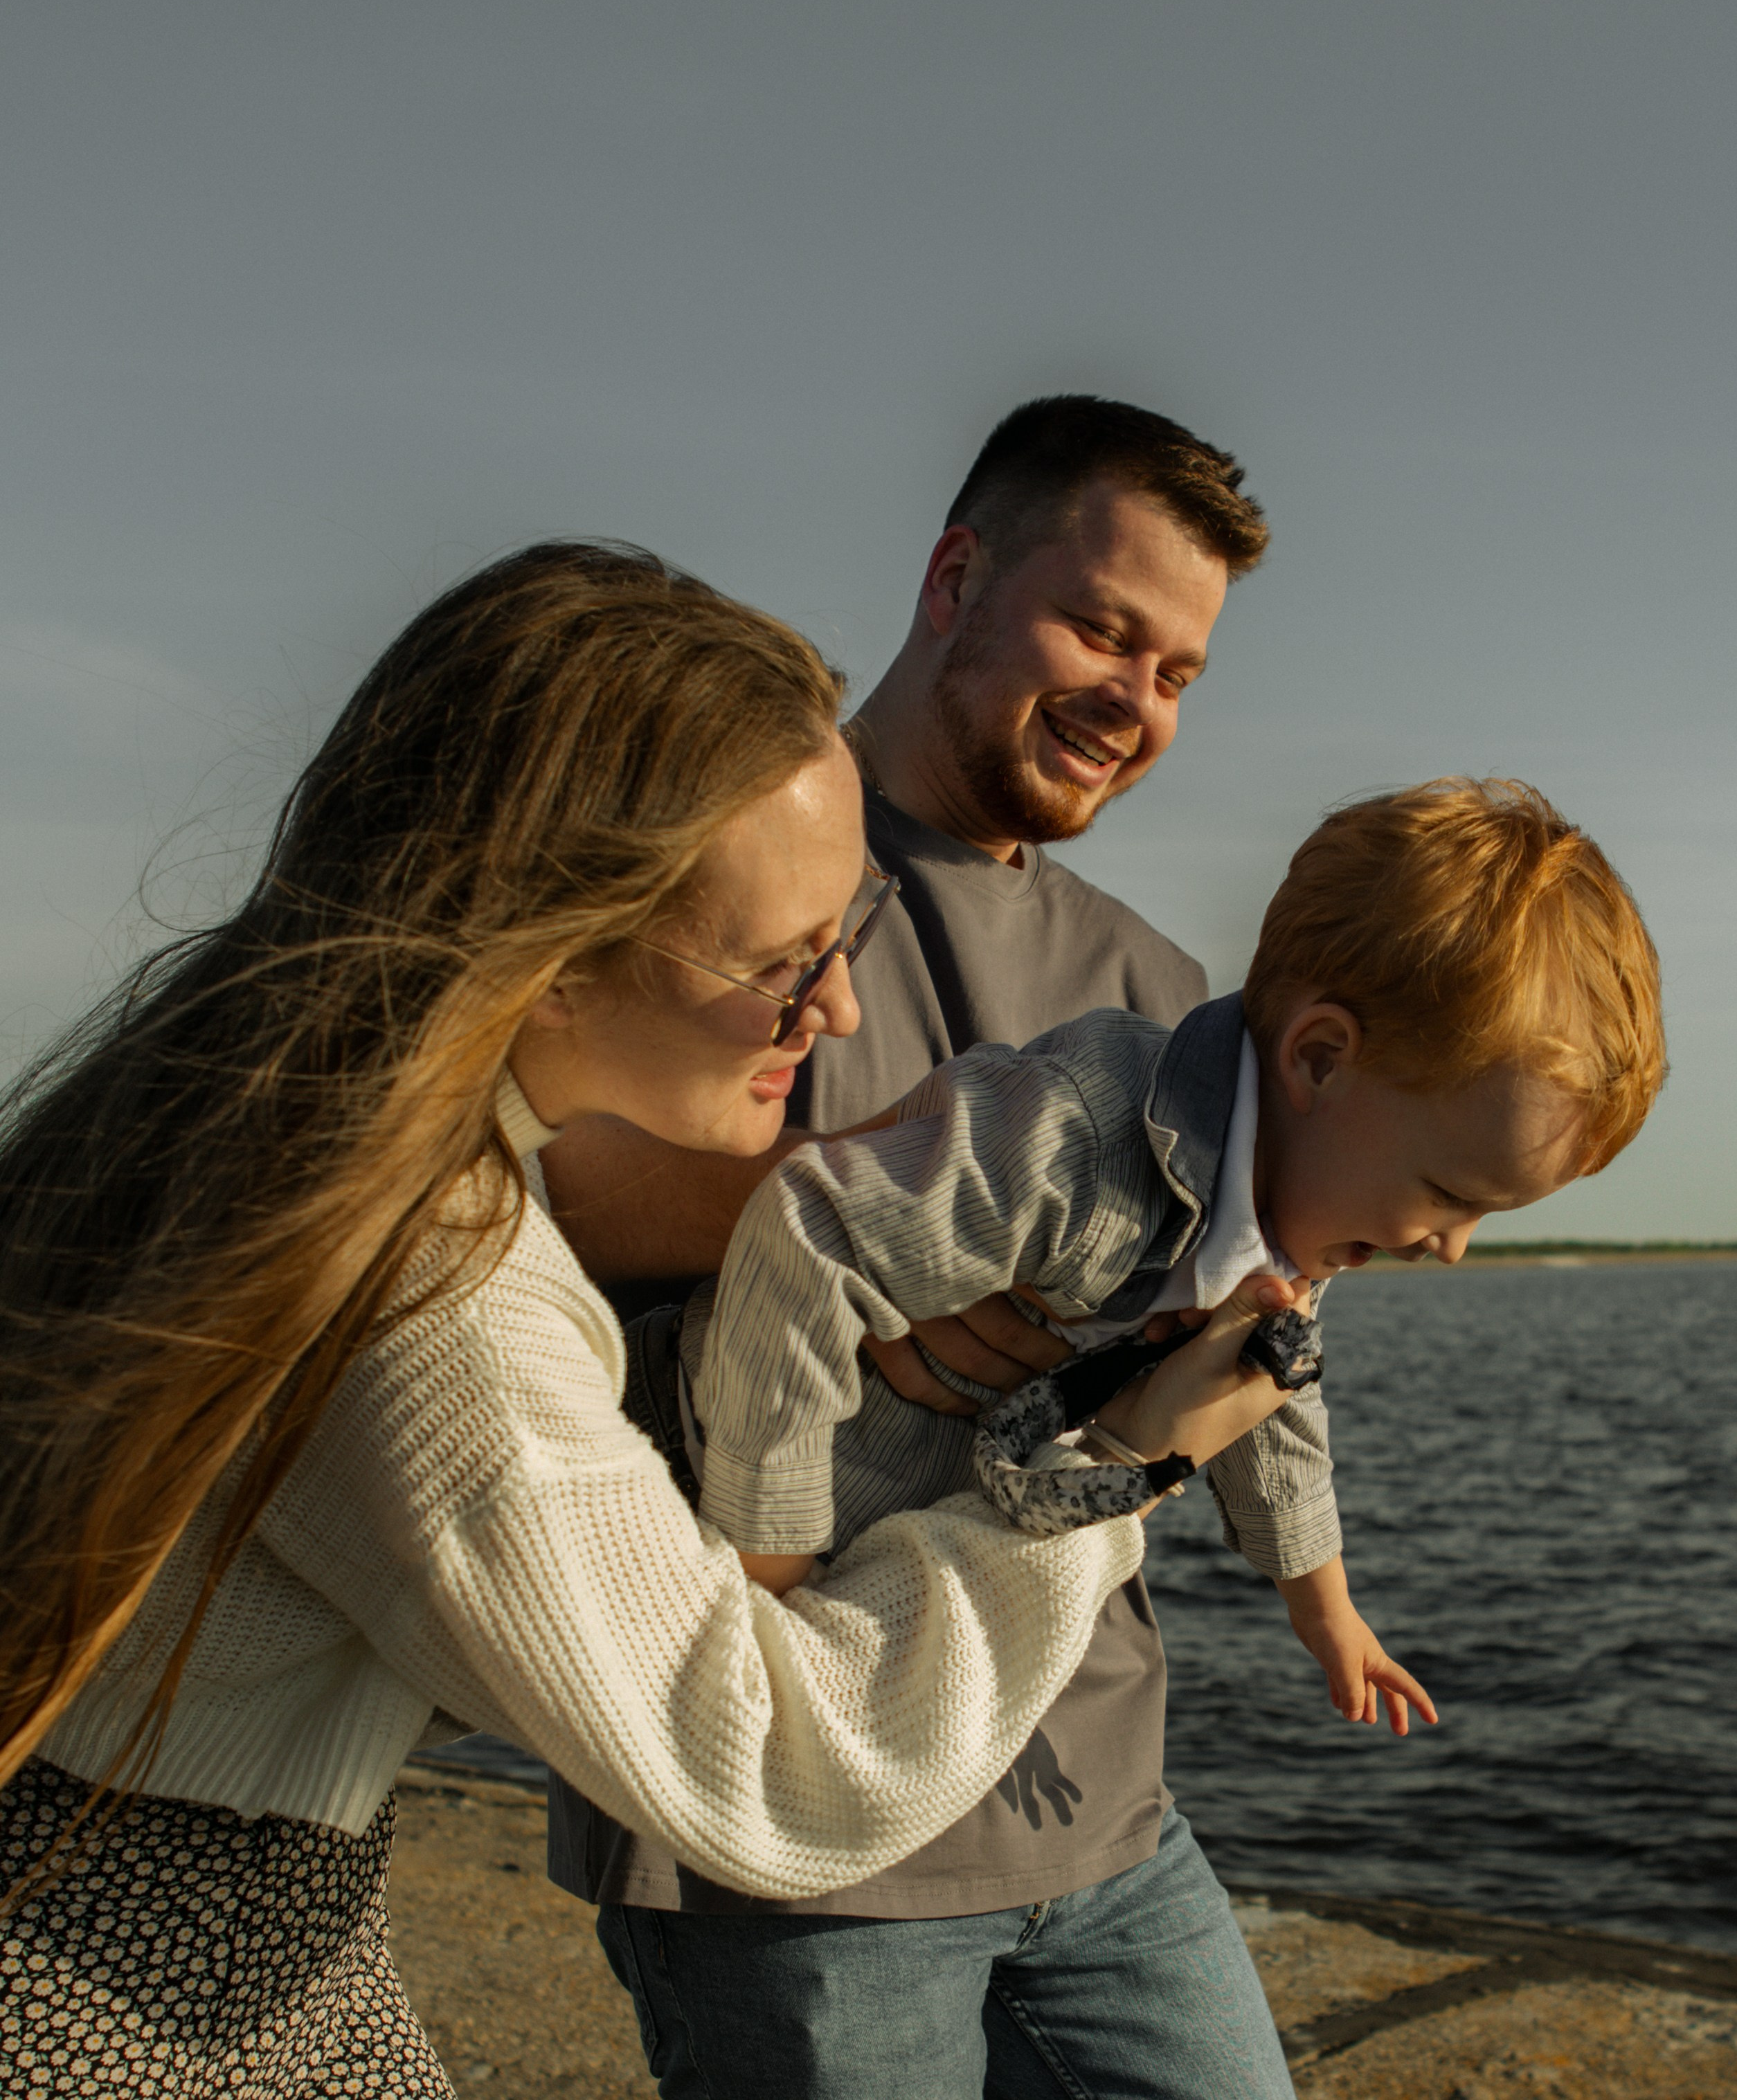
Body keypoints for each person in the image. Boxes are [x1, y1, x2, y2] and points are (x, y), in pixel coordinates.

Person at [0, 541, 1289, 2093]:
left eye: (848, 941)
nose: (838, 1015)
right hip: (139, 1984)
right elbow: (772, 1770)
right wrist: (1106, 1468)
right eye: (782, 961)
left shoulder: (239, 1105)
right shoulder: (433, 1293)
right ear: (548, 951)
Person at [543, 398, 1364, 2100]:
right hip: (795, 1816)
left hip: (1101, 1802)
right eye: (1101, 628)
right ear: (954, 577)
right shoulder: (724, 849)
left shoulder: (1154, 978)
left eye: (1180, 673)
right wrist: (903, 1236)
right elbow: (519, 1164)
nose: (1133, 701)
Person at [692, 778, 1665, 1586]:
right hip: (738, 1491)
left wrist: (1319, 1600)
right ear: (1320, 1061)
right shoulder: (1078, 1136)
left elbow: (1275, 1400)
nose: (1449, 1246)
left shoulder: (1297, 1207)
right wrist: (768, 1554)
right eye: (1450, 1194)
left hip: (903, 1554)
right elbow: (806, 1232)